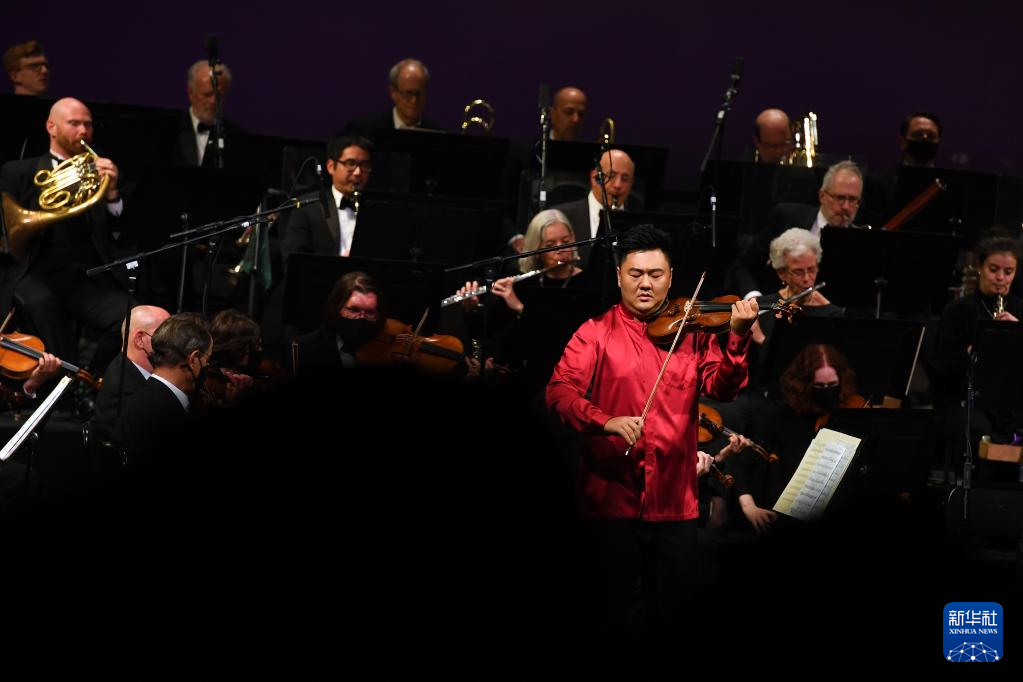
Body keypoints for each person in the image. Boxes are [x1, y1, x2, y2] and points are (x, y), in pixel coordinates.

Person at [545, 225, 757, 646]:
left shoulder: (693, 332)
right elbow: (559, 392)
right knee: (608, 616)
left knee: (673, 620)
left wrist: (738, 336)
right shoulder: (595, 332)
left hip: (674, 502)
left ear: (671, 276)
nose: (646, 283)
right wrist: (604, 420)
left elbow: (723, 388)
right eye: (636, 273)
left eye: (656, 274)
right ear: (619, 275)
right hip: (610, 501)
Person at [0, 97, 129, 378]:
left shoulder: (101, 173)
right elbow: (8, 233)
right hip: (36, 273)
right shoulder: (19, 172)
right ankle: (62, 387)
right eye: (74, 123)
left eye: (88, 124)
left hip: (87, 278)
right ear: (51, 127)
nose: (83, 131)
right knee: (43, 306)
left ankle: (90, 378)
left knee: (131, 316)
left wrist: (112, 195)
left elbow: (122, 237)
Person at [732, 343, 859, 534]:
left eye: (832, 385)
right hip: (790, 519)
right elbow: (742, 466)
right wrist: (749, 507)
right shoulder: (784, 416)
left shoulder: (850, 414)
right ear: (804, 385)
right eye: (819, 386)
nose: (827, 391)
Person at [730, 160, 863, 298]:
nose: (846, 207)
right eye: (840, 198)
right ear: (822, 196)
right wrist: (755, 299)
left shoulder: (860, 241)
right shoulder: (786, 217)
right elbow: (744, 266)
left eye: (853, 200)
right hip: (775, 306)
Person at [933, 233, 1021, 409]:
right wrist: (972, 351)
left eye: (1008, 272)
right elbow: (940, 366)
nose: (1001, 278)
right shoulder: (959, 310)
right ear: (980, 267)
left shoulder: (1019, 308)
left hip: (1011, 402)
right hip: (967, 402)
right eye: (993, 269)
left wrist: (1018, 334)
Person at [112, 313, 212, 460]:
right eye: (208, 359)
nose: (208, 366)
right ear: (193, 359)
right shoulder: (171, 418)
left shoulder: (143, 397)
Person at [280, 135, 373, 265]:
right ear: (331, 166)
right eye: (351, 163)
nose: (358, 172)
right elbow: (292, 260)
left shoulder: (376, 208)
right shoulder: (307, 207)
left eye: (364, 165)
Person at [751, 228, 843, 346]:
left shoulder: (833, 315)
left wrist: (760, 339)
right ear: (781, 273)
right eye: (798, 272)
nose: (806, 279)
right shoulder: (763, 306)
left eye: (811, 270)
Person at [92, 305, 171, 442]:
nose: (174, 343)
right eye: (166, 335)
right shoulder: (125, 388)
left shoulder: (125, 368)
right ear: (140, 339)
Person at [550, 148, 636, 268]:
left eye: (625, 179)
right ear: (594, 177)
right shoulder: (561, 215)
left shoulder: (638, 224)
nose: (618, 185)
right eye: (611, 176)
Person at [290, 271, 384, 375]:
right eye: (353, 310)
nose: (362, 318)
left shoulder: (386, 350)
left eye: (370, 312)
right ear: (335, 308)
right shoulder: (302, 348)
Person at [342, 59, 443, 137]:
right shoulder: (365, 131)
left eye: (419, 94)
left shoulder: (438, 135)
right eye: (408, 94)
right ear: (393, 92)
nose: (414, 100)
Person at [173, 59, 234, 167]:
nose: (213, 101)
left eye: (219, 95)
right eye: (207, 94)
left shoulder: (237, 136)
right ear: (191, 92)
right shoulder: (166, 130)